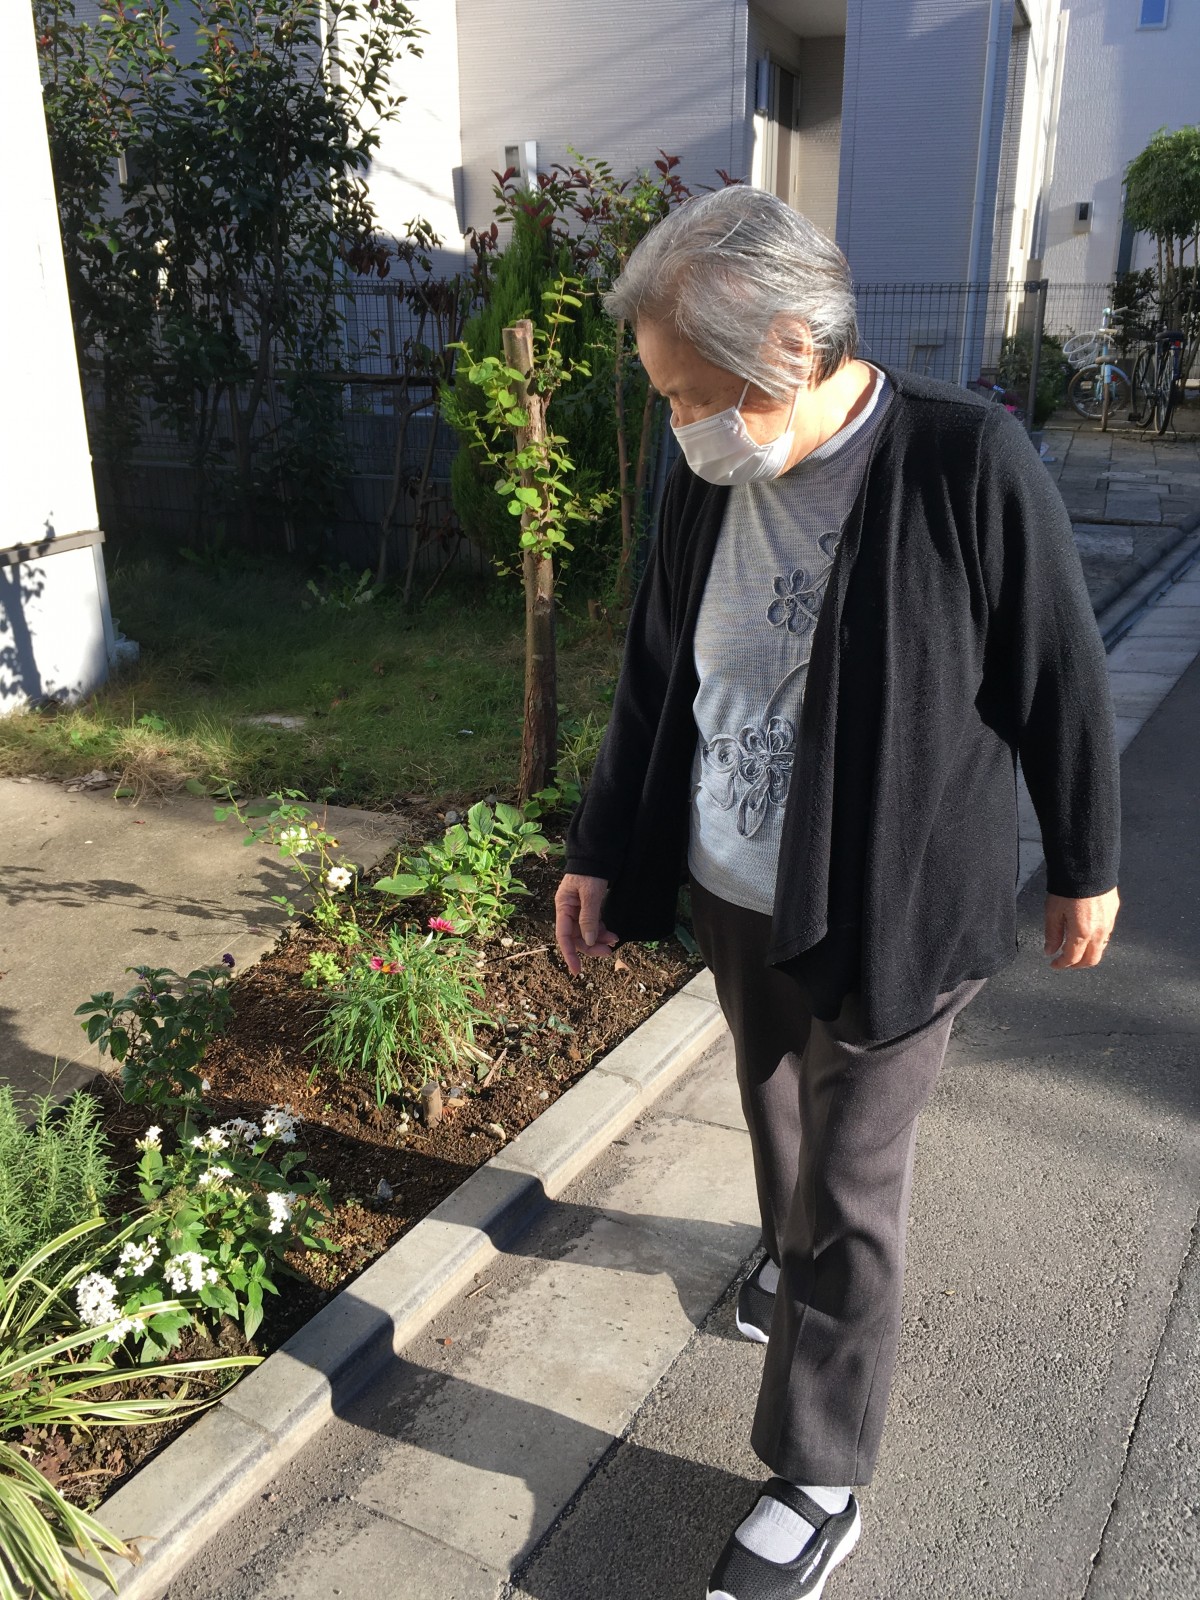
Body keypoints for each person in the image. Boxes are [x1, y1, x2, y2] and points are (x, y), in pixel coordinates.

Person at [553, 187, 1120, 1600]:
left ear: (793, 348)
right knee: (774, 1107)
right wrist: (599, 847)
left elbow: (1058, 670)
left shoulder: (962, 460)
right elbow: (653, 676)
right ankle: (789, 1266)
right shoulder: (706, 480)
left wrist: (1086, 860)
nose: (683, 427)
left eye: (696, 396)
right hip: (736, 880)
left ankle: (819, 1473)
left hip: (896, 897)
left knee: (851, 1182)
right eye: (668, 400)